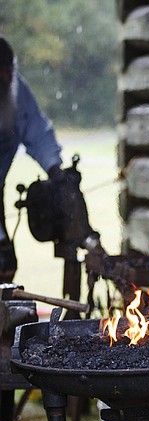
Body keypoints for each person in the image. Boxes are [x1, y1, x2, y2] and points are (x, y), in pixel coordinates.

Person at [0, 35, 66, 280]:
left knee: (5, 268)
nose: (6, 78)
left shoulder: (15, 90)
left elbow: (38, 133)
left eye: (8, 71)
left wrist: (56, 170)